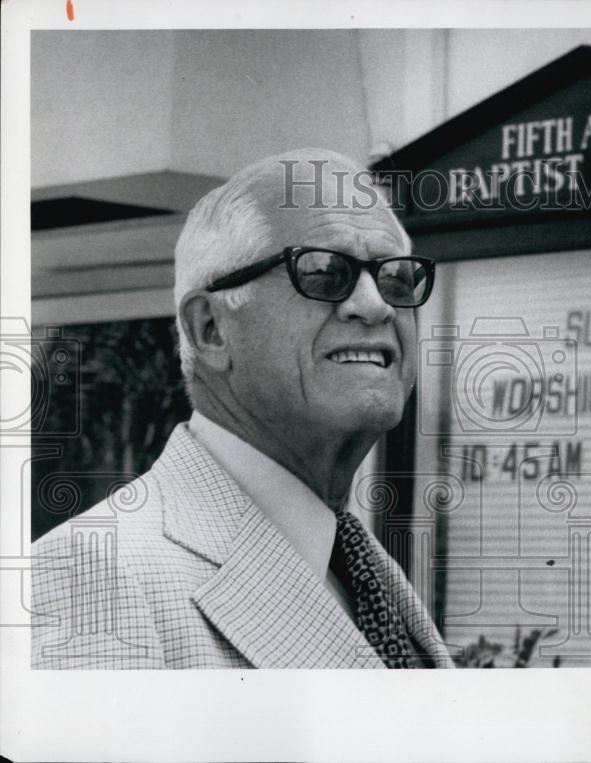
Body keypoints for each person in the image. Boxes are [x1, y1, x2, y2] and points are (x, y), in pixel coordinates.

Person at [31, 149, 453, 669]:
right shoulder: (88, 580)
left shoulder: (354, 565)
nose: (376, 304)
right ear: (211, 330)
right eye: (323, 271)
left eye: (394, 277)